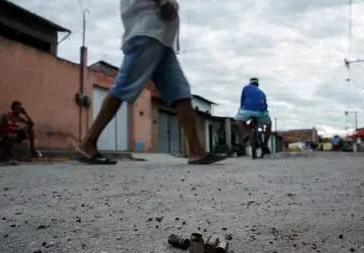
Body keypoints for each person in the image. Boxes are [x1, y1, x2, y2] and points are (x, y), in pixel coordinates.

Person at [74, 0, 225, 165]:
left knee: (181, 92)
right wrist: (163, 2)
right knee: (122, 87)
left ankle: (196, 150)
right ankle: (88, 143)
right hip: (148, 33)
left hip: (163, 41)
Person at [234, 78, 272, 155]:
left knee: (238, 121)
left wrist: (241, 109)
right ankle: (265, 144)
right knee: (269, 124)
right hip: (261, 111)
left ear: (250, 83)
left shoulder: (245, 88)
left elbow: (242, 100)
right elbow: (265, 105)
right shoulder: (262, 92)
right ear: (257, 85)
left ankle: (246, 133)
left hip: (246, 110)